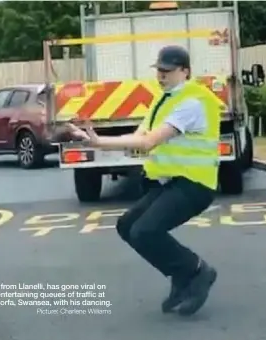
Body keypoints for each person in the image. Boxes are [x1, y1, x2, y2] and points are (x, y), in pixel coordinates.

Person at [65, 45, 221, 316]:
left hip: (195, 184)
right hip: (169, 182)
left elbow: (149, 140)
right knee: (127, 226)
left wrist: (100, 141)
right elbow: (140, 137)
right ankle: (180, 276)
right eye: (159, 71)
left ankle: (196, 271)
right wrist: (98, 140)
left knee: (145, 231)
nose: (161, 76)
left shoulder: (191, 102)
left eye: (168, 72)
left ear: (185, 72)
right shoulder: (164, 100)